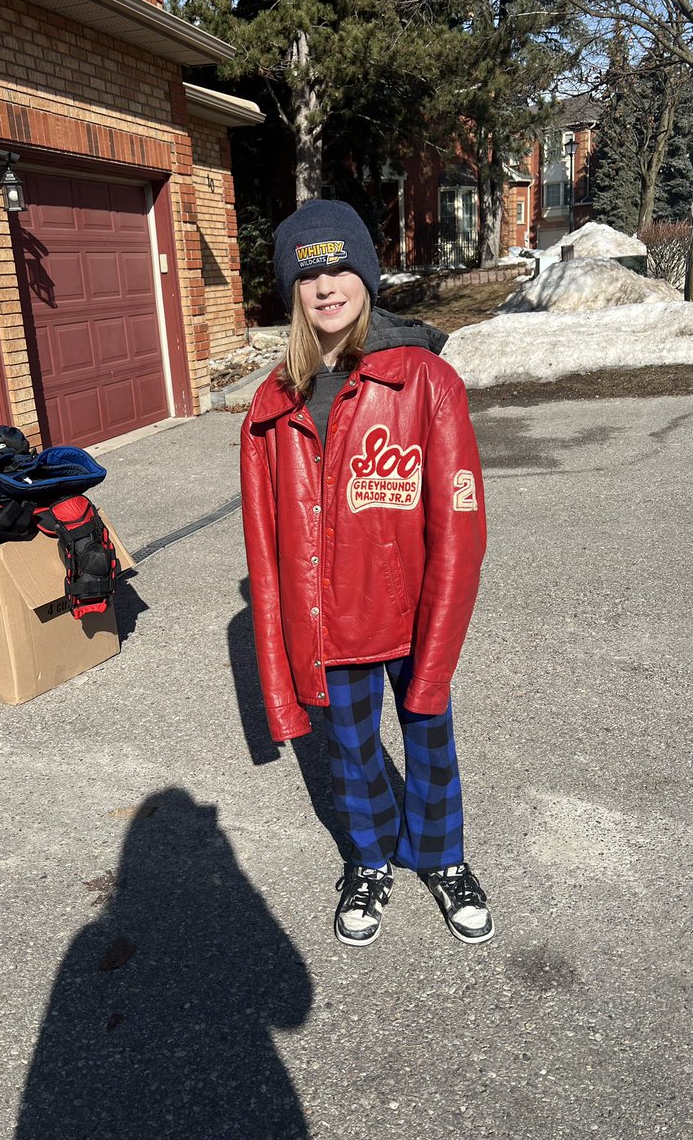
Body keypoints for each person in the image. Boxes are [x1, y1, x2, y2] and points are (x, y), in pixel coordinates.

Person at [240, 199, 492, 948]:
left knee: (428, 736)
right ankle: (370, 858)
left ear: (367, 276)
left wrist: (441, 638)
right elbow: (265, 542)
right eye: (308, 274)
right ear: (292, 291)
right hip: (329, 621)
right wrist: (282, 653)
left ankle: (443, 858)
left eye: (340, 266)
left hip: (412, 612)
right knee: (349, 752)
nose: (326, 287)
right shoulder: (270, 403)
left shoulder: (423, 381)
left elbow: (459, 529)